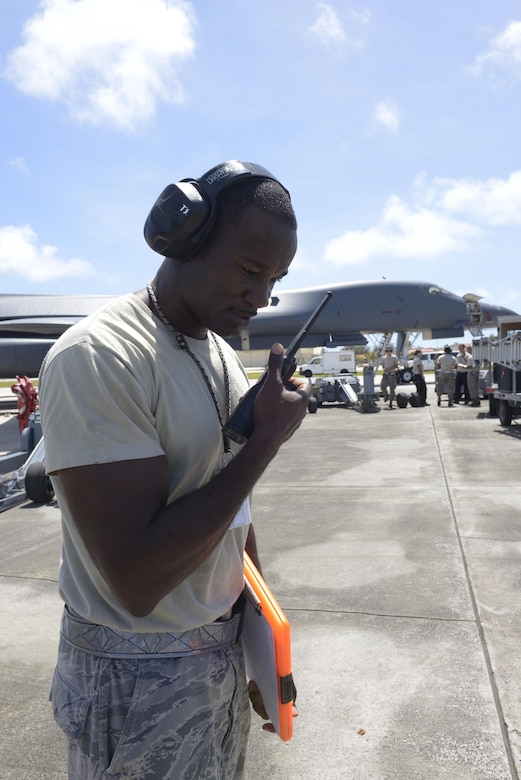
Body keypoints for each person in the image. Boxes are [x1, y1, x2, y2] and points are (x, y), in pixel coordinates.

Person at [39, 160, 310, 780]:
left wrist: (264, 652)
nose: (261, 296)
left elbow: (231, 519)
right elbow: (136, 577)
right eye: (249, 270)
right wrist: (264, 440)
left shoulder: (219, 351)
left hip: (216, 655)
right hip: (134, 677)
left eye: (274, 280)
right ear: (185, 237)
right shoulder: (101, 356)